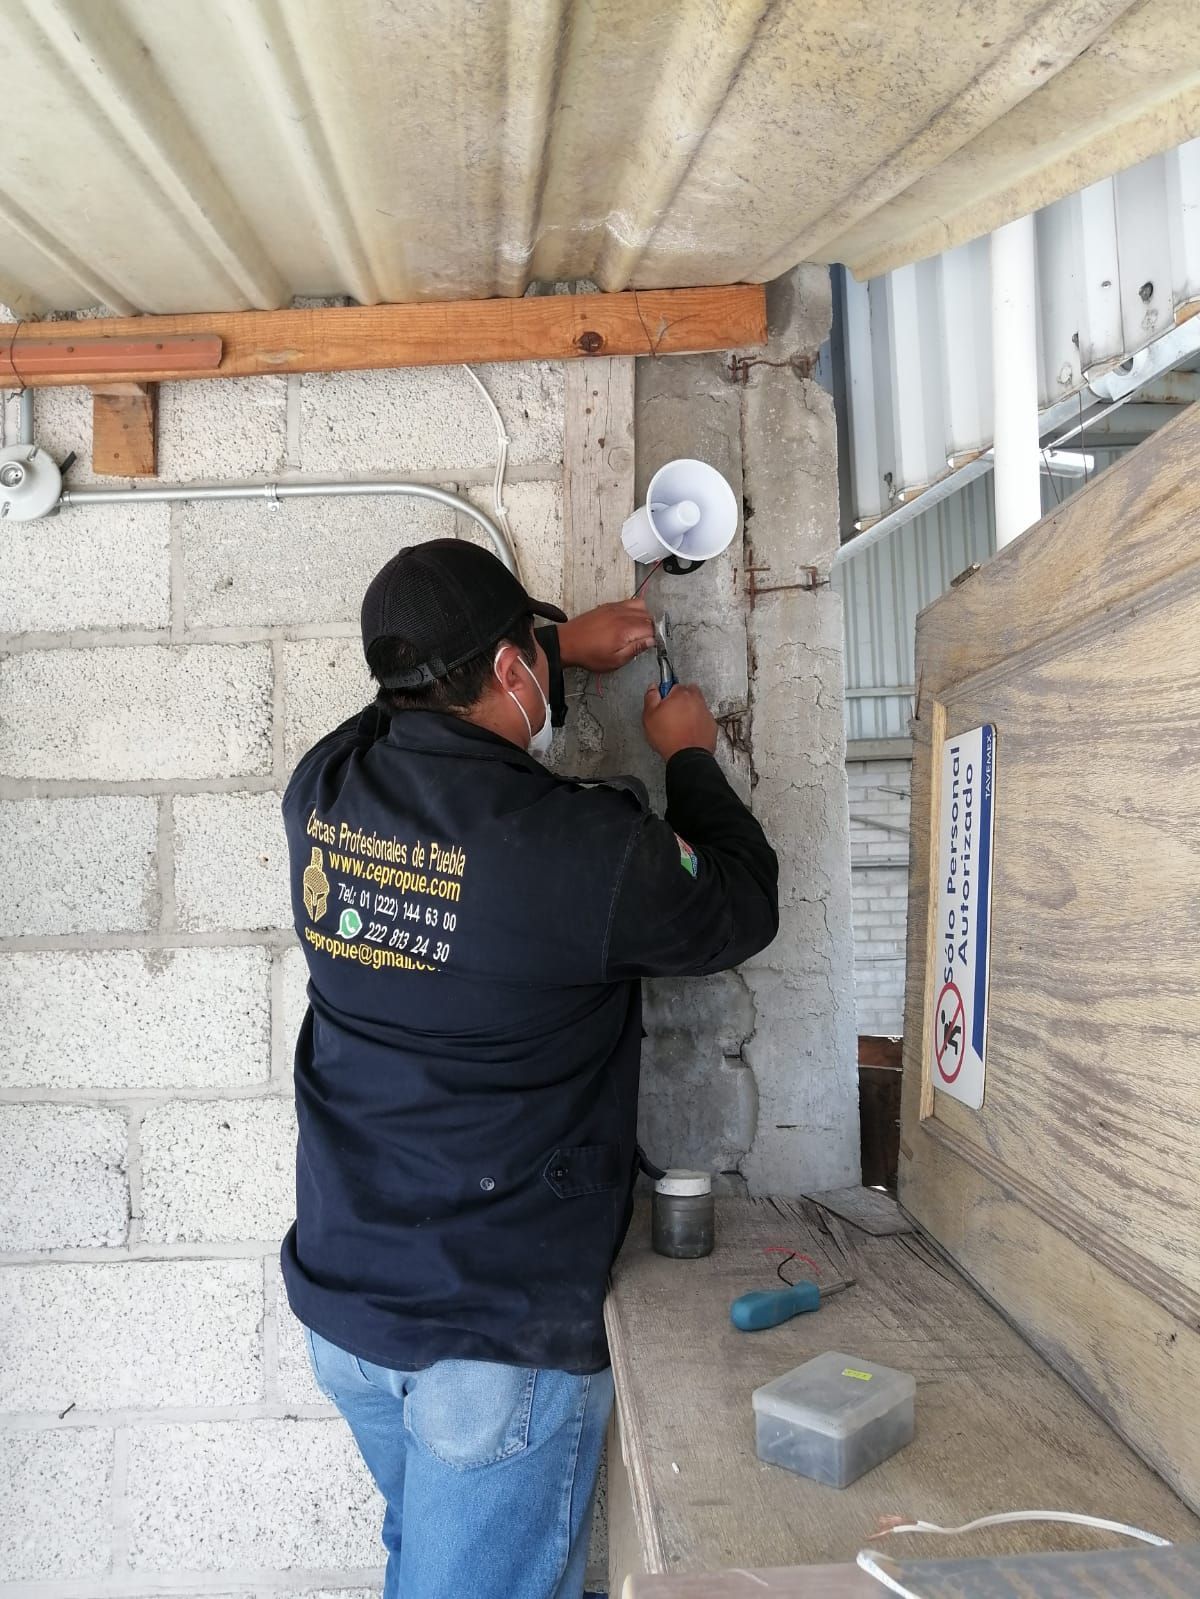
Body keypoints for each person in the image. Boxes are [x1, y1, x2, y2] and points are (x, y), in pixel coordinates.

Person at [281, 537, 779, 1599]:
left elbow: (402, 700)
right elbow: (742, 904)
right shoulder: (587, 850)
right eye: (530, 654)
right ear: (512, 672)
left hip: (347, 1312)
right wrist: (689, 754)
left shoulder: (321, 788)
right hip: (489, 1342)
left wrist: (559, 643)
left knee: (427, 1564)